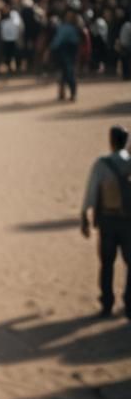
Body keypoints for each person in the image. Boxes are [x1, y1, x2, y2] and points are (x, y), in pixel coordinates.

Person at [80, 125, 131, 319]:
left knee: (107, 263)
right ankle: (129, 301)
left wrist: (84, 216)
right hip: (129, 222)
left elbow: (92, 191)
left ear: (111, 141)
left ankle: (107, 302)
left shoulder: (102, 164)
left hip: (108, 221)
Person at [50, 9, 80, 102]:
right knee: (63, 73)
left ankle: (71, 93)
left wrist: (52, 48)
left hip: (67, 51)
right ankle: (64, 93)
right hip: (65, 51)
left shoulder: (68, 27)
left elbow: (57, 41)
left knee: (68, 73)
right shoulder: (66, 26)